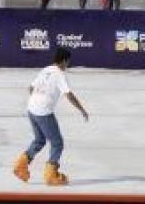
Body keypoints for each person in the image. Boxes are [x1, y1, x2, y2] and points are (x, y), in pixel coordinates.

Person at [12, 47, 89, 186]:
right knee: (57, 143)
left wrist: (37, 100)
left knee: (39, 140)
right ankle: (51, 175)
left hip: (31, 109)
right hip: (43, 112)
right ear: (64, 61)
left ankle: (20, 165)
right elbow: (69, 95)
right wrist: (82, 109)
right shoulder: (60, 75)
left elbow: (31, 88)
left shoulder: (46, 69)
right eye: (68, 62)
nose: (68, 65)